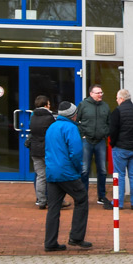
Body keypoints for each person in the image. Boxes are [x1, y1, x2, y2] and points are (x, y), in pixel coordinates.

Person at [41, 102, 91, 251]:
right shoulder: (71, 128)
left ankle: (50, 243)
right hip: (67, 173)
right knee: (81, 199)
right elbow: (75, 152)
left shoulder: (51, 127)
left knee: (53, 208)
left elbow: (48, 149)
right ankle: (76, 237)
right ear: (73, 115)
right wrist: (78, 170)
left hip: (52, 172)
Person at [78, 85, 113, 208]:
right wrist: (82, 135)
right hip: (86, 140)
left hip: (100, 141)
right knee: (85, 170)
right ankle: (83, 197)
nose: (100, 95)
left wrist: (105, 133)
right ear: (91, 93)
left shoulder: (105, 106)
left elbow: (110, 122)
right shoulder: (83, 105)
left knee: (102, 170)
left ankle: (101, 196)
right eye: (98, 93)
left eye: (101, 92)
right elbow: (77, 121)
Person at [110, 88, 133, 211]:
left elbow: (113, 131)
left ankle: (118, 202)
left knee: (119, 175)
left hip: (120, 148)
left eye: (117, 98)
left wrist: (112, 144)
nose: (116, 100)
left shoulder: (117, 111)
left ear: (121, 99)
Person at [29, 95, 56, 210]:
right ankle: (53, 199)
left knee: (40, 176)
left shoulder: (33, 116)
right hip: (47, 149)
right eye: (49, 104)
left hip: (35, 149)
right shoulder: (49, 117)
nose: (50, 106)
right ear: (46, 105)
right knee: (52, 175)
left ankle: (41, 201)